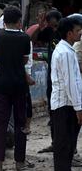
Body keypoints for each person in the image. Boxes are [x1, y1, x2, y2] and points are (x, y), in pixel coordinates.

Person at [0, 6, 33, 171]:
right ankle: (19, 161)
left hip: (1, 84)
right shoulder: (24, 38)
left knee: (0, 123)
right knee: (20, 123)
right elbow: (24, 60)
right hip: (19, 85)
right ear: (18, 21)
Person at [50, 17, 82, 171]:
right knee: (63, 144)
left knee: (69, 143)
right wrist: (78, 108)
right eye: (78, 30)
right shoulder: (65, 53)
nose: (80, 33)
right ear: (69, 33)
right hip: (65, 105)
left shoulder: (66, 50)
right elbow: (71, 83)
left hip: (68, 103)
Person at [36, 10, 63, 154]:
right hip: (51, 75)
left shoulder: (65, 31)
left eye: (49, 20)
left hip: (62, 76)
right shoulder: (48, 31)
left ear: (56, 20)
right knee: (52, 111)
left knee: (63, 113)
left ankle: (68, 148)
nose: (48, 22)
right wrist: (40, 26)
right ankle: (54, 143)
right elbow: (34, 39)